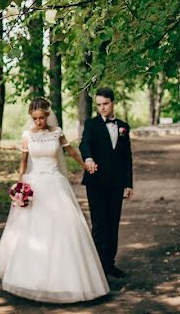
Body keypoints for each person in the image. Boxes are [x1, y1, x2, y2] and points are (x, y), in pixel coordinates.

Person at [0, 97, 110, 303]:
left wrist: (85, 165)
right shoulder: (27, 136)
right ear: (31, 117)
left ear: (48, 115)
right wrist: (20, 185)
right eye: (35, 118)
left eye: (42, 117)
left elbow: (71, 151)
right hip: (35, 186)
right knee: (32, 232)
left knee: (66, 229)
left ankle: (70, 282)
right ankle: (29, 280)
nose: (39, 121)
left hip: (56, 185)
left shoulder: (57, 132)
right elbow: (24, 162)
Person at [80, 87, 134, 278]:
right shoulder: (91, 124)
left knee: (113, 223)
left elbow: (127, 157)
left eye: (105, 104)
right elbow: (84, 144)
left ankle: (110, 264)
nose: (102, 108)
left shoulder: (123, 126)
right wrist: (88, 159)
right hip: (96, 182)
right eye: (99, 105)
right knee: (99, 223)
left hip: (117, 183)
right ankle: (97, 267)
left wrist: (129, 184)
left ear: (113, 103)